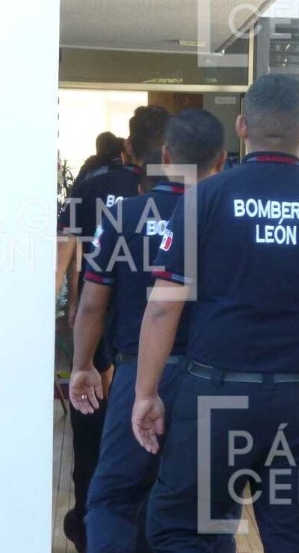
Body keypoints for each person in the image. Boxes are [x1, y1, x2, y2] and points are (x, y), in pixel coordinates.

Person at [133, 73, 299, 551]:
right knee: (297, 539)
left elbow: (163, 308)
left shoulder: (204, 199)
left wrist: (146, 393)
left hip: (215, 398)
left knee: (186, 530)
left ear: (242, 127)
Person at [70, 110, 229, 553]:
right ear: (221, 159)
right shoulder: (228, 220)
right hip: (212, 380)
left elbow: (92, 303)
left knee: (114, 498)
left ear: (165, 155)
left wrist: (82, 364)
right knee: (207, 508)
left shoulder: (122, 215)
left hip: (137, 374)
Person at [56, 106, 171, 553]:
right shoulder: (199, 204)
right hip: (184, 363)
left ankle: (90, 531)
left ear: (128, 147)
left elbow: (71, 256)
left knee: (100, 458)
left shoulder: (90, 187)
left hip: (113, 348)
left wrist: (82, 352)